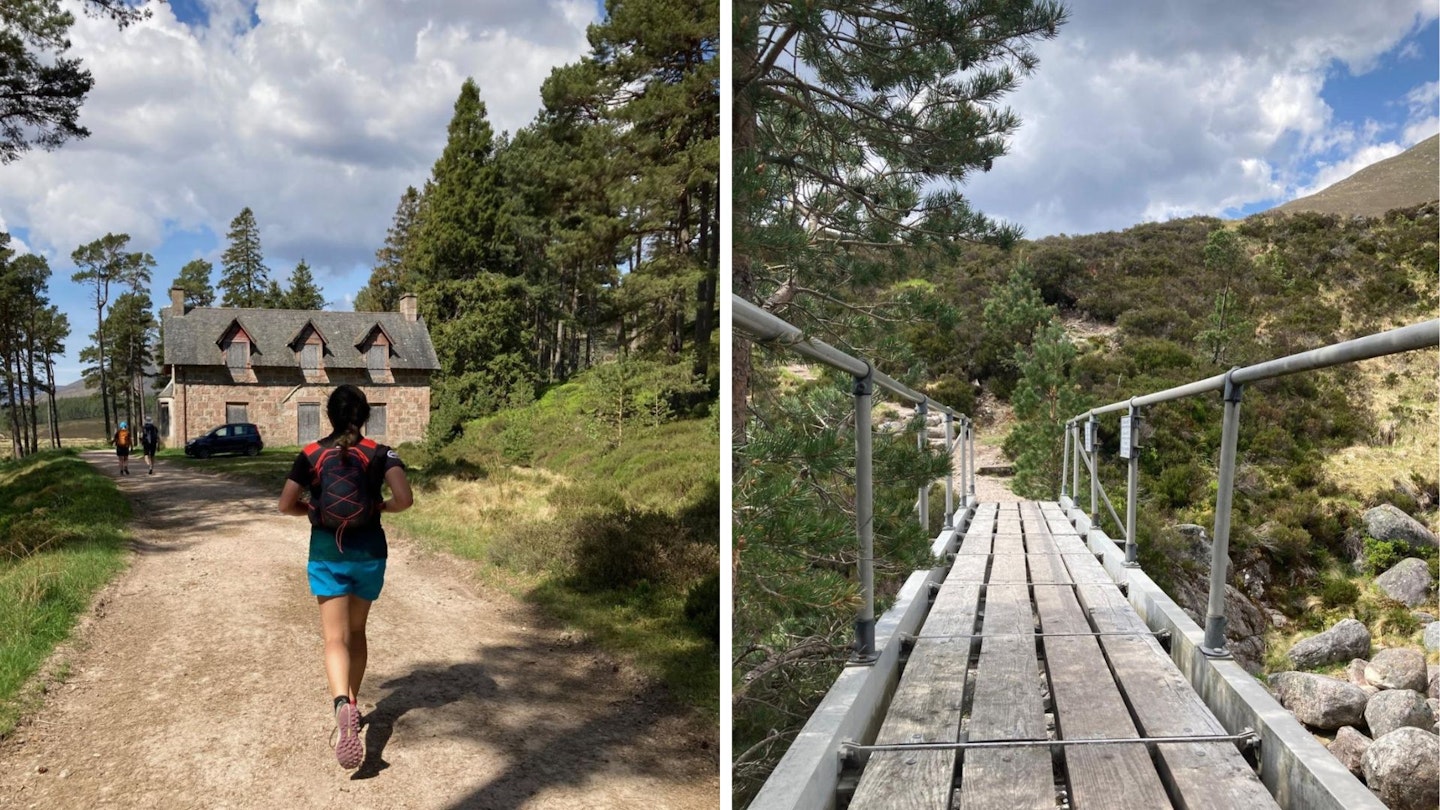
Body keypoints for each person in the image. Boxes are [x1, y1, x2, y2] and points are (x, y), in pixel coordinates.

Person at [277, 385, 412, 770]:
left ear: (330, 416)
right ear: (365, 415)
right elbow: (405, 498)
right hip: (369, 555)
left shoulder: (310, 455)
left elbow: (285, 504)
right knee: (357, 633)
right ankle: (353, 701)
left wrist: (313, 510)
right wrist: (378, 505)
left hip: (326, 554)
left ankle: (342, 705)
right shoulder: (382, 453)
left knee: (334, 638)